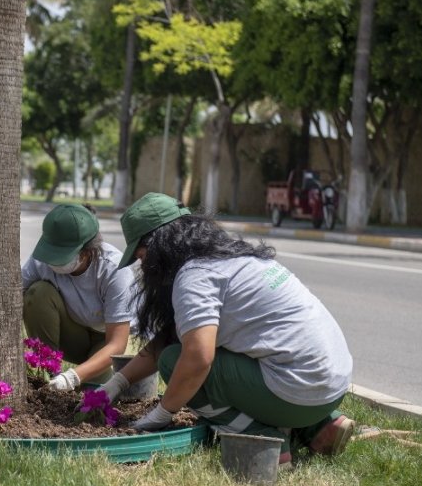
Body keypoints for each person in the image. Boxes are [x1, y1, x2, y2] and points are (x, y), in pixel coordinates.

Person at [99, 192, 354, 466]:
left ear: (160, 246)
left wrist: (163, 412)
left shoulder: (195, 276)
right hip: (333, 384)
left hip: (299, 391)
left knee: (175, 362)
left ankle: (264, 438)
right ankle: (320, 427)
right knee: (197, 351)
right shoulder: (233, 258)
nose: (143, 268)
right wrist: (119, 382)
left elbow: (197, 359)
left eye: (141, 257)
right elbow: (170, 335)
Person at [22, 203, 138, 391]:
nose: (52, 261)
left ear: (87, 252)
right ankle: (49, 372)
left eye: (62, 256)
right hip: (71, 333)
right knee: (38, 292)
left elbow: (117, 343)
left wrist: (73, 377)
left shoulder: (114, 269)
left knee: (92, 392)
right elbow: (13, 296)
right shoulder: (43, 257)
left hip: (104, 340)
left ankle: (87, 377)